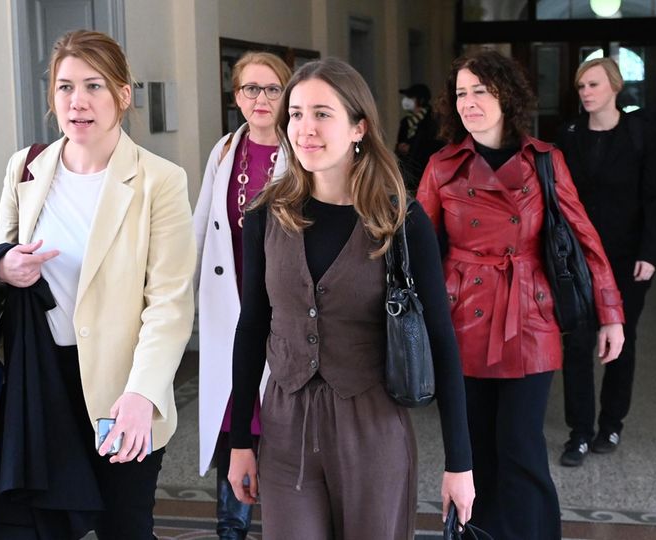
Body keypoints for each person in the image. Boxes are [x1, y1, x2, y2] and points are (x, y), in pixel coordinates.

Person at [226, 57, 475, 539]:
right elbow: (252, 325)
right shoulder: (265, 215)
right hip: (286, 422)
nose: (305, 128)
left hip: (372, 422)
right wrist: (241, 440)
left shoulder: (400, 219)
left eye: (322, 114)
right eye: (295, 114)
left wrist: (459, 463)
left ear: (358, 126)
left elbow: (442, 339)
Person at [0, 30, 196, 539]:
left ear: (123, 96)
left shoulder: (159, 180)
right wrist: (4, 270)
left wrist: (142, 393)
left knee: (124, 527)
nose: (77, 102)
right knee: (37, 528)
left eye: (94, 86)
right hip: (39, 384)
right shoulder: (25, 168)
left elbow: (168, 302)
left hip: (121, 389)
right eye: (64, 87)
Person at [416, 50, 626, 540]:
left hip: (529, 317)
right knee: (474, 453)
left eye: (481, 92)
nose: (469, 102)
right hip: (461, 317)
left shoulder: (546, 161)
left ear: (506, 97)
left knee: (521, 447)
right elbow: (418, 252)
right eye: (462, 93)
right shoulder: (442, 166)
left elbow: (584, 237)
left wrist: (611, 314)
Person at [193, 51, 292, 539]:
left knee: (279, 415)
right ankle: (231, 528)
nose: (262, 99)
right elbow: (199, 233)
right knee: (234, 413)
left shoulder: (303, 151)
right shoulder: (223, 152)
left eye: (273, 89)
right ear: (236, 97)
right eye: (251, 89)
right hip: (228, 305)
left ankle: (286, 523)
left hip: (283, 308)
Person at [555, 57, 656, 467]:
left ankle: (612, 422)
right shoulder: (568, 135)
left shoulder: (639, 133)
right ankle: (580, 431)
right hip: (579, 258)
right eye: (581, 86)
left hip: (628, 258)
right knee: (577, 342)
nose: (585, 93)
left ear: (615, 88)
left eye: (593, 85)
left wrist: (650, 253)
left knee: (622, 339)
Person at [395, 83, 442, 193]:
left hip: (427, 172)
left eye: (410, 97)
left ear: (420, 100)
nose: (406, 100)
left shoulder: (433, 120)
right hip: (408, 173)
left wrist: (411, 148)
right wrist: (400, 148)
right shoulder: (406, 122)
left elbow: (434, 145)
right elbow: (399, 143)